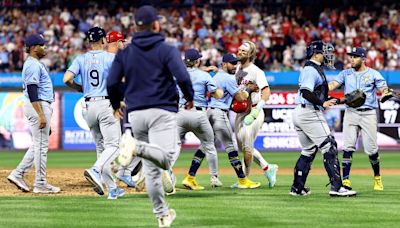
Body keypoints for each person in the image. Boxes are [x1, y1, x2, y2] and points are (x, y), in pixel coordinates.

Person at [107, 5, 194, 227]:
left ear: (136, 27)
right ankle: (136, 148)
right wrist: (189, 97)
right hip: (162, 110)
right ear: (155, 25)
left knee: (152, 170)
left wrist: (116, 104)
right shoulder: (166, 49)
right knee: (166, 157)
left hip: (135, 113)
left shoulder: (125, 52)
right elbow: (182, 76)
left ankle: (162, 216)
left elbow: (111, 82)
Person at [63, 27, 125, 200]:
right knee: (114, 146)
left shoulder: (81, 58)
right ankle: (95, 170)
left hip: (88, 105)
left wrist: (80, 88)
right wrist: (118, 101)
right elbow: (119, 82)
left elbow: (66, 79)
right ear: (104, 40)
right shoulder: (111, 58)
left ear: (89, 41)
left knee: (101, 149)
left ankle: (112, 189)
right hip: (105, 104)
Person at [185, 53, 262, 189]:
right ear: (224, 64)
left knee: (205, 146)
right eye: (232, 63)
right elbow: (240, 98)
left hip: (209, 112)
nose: (235, 66)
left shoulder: (216, 76)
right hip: (219, 114)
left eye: (236, 63)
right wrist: (249, 89)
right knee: (230, 147)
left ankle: (190, 177)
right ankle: (243, 180)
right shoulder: (228, 78)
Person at [290, 40, 356, 197]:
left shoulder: (313, 69)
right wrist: (322, 102)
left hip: (301, 112)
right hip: (309, 113)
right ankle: (337, 187)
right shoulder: (311, 70)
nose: (327, 55)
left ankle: (297, 188)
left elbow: (321, 95)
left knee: (308, 150)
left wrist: (342, 99)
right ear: (316, 54)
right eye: (323, 52)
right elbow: (306, 92)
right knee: (329, 146)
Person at [328, 47, 388, 191]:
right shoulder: (346, 73)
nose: (352, 59)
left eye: (355, 57)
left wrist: (385, 93)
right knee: (348, 147)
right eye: (351, 56)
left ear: (363, 59)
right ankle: (346, 180)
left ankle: (377, 178)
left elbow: (383, 88)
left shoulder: (373, 74)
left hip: (368, 113)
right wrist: (322, 89)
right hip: (351, 113)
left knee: (372, 150)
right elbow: (333, 85)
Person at [7, 34, 60, 194]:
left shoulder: (34, 63)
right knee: (42, 147)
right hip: (38, 105)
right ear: (34, 47)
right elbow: (32, 90)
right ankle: (40, 183)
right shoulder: (32, 64)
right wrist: (41, 115)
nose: (45, 48)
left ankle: (18, 174)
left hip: (40, 106)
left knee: (38, 144)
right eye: (42, 45)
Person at [176, 48, 223, 190]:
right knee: (209, 146)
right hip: (198, 114)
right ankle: (214, 177)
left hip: (180, 113)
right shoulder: (204, 76)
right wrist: (218, 84)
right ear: (197, 61)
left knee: (173, 147)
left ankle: (165, 174)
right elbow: (217, 95)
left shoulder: (177, 74)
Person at [233, 41, 278, 188]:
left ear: (250, 54)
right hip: (241, 112)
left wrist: (258, 109)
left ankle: (244, 179)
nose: (239, 52)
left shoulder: (256, 71)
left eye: (243, 51)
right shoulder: (237, 68)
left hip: (253, 111)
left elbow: (266, 91)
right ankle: (267, 167)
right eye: (239, 50)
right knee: (242, 147)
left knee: (247, 147)